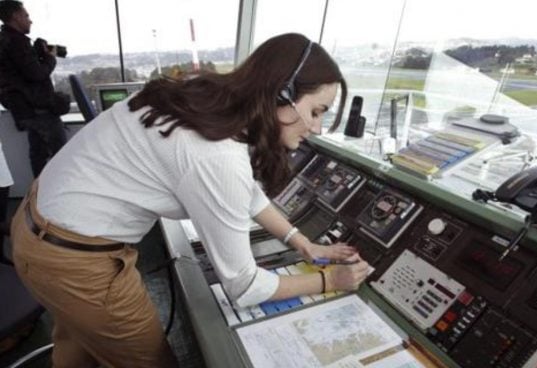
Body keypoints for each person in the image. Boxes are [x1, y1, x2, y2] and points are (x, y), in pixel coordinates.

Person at [10, 32, 370, 367]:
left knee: (76, 341)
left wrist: (301, 242)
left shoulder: (201, 96)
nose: (317, 128)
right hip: (72, 260)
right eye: (317, 111)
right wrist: (330, 281)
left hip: (37, 224)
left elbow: (241, 190)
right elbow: (244, 287)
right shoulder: (218, 156)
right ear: (281, 94)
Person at [0, 0, 67, 177]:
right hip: (39, 110)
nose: (30, 21)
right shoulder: (17, 42)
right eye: (26, 16)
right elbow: (36, 74)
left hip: (27, 110)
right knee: (62, 157)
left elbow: (22, 71)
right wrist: (49, 58)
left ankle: (38, 198)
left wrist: (37, 54)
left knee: (38, 156)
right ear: (15, 16)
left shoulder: (6, 41)